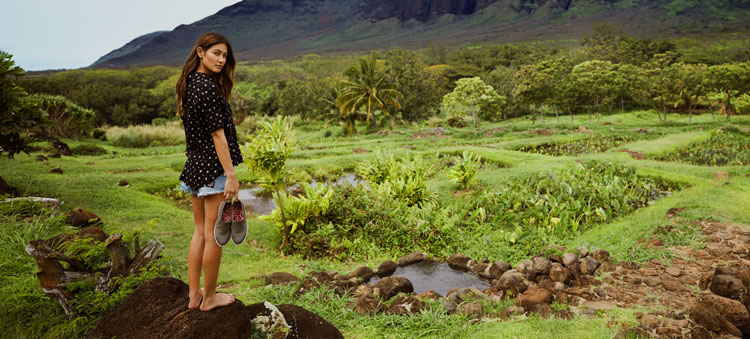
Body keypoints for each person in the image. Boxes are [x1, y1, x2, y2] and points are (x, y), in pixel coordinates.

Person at [175, 32, 243, 311]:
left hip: (194, 166)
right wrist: (231, 174)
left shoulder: (191, 83)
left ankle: (194, 295)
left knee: (200, 233)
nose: (221, 60)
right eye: (216, 53)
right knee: (215, 234)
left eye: (225, 56)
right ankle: (210, 297)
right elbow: (218, 136)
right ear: (200, 52)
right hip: (212, 168)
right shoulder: (208, 88)